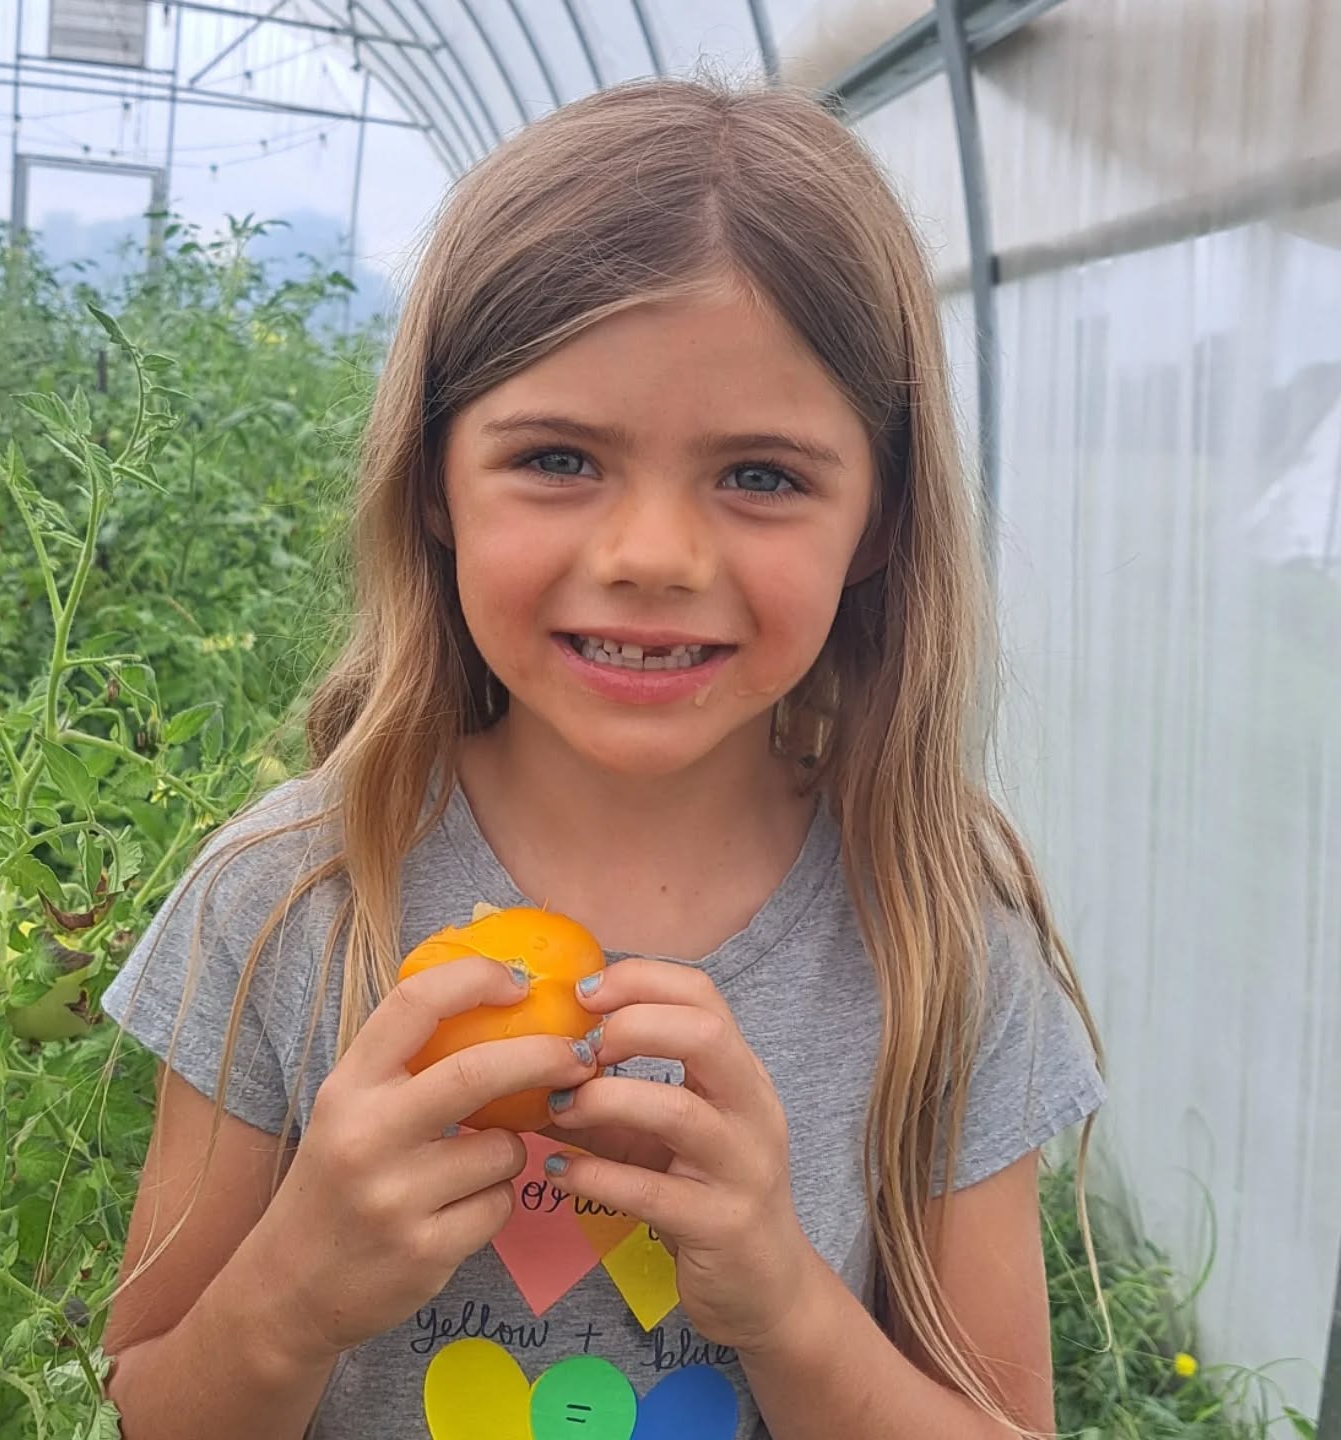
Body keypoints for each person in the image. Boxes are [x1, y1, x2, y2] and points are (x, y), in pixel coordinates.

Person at [97, 76, 1105, 1440]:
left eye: (761, 475)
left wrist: (785, 1306)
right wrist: (292, 1295)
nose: (652, 557)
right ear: (434, 481)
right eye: (560, 457)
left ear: (879, 520)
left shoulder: (939, 939)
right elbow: (141, 1405)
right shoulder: (285, 900)